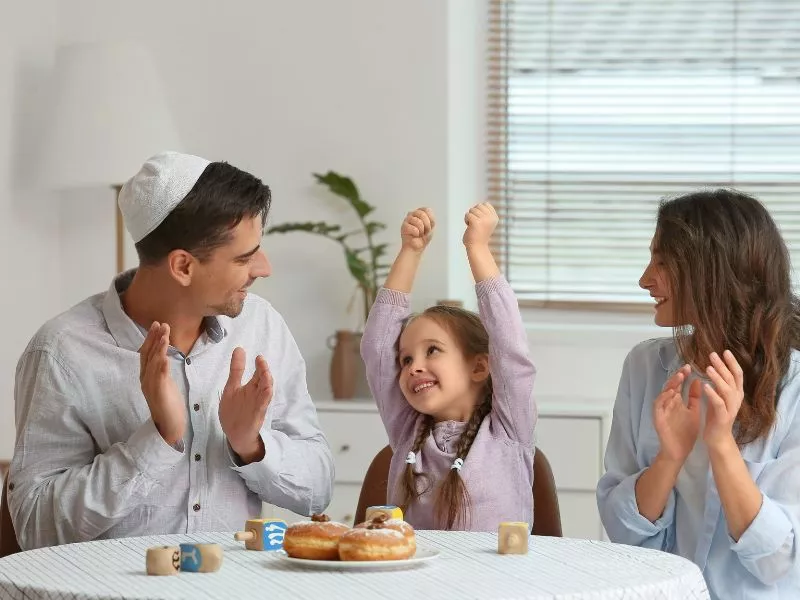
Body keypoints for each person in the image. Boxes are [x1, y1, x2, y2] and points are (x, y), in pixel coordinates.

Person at [8, 151, 334, 549]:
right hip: (107, 583)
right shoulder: (62, 352)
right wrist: (157, 438)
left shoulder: (261, 326)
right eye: (244, 258)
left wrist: (251, 444)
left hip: (238, 581)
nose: (263, 268)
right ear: (182, 266)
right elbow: (35, 527)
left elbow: (319, 489)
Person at [597, 189, 800, 598]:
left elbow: (779, 560)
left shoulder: (793, 386)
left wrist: (721, 445)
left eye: (662, 262)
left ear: (712, 272)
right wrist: (669, 459)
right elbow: (623, 534)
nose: (644, 280)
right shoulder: (644, 367)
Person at [360, 203, 537, 531]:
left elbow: (509, 344)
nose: (414, 367)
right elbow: (377, 348)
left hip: (499, 568)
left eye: (432, 351)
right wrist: (410, 252)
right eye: (406, 359)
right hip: (416, 568)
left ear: (479, 367)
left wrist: (478, 248)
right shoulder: (407, 430)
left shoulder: (508, 428)